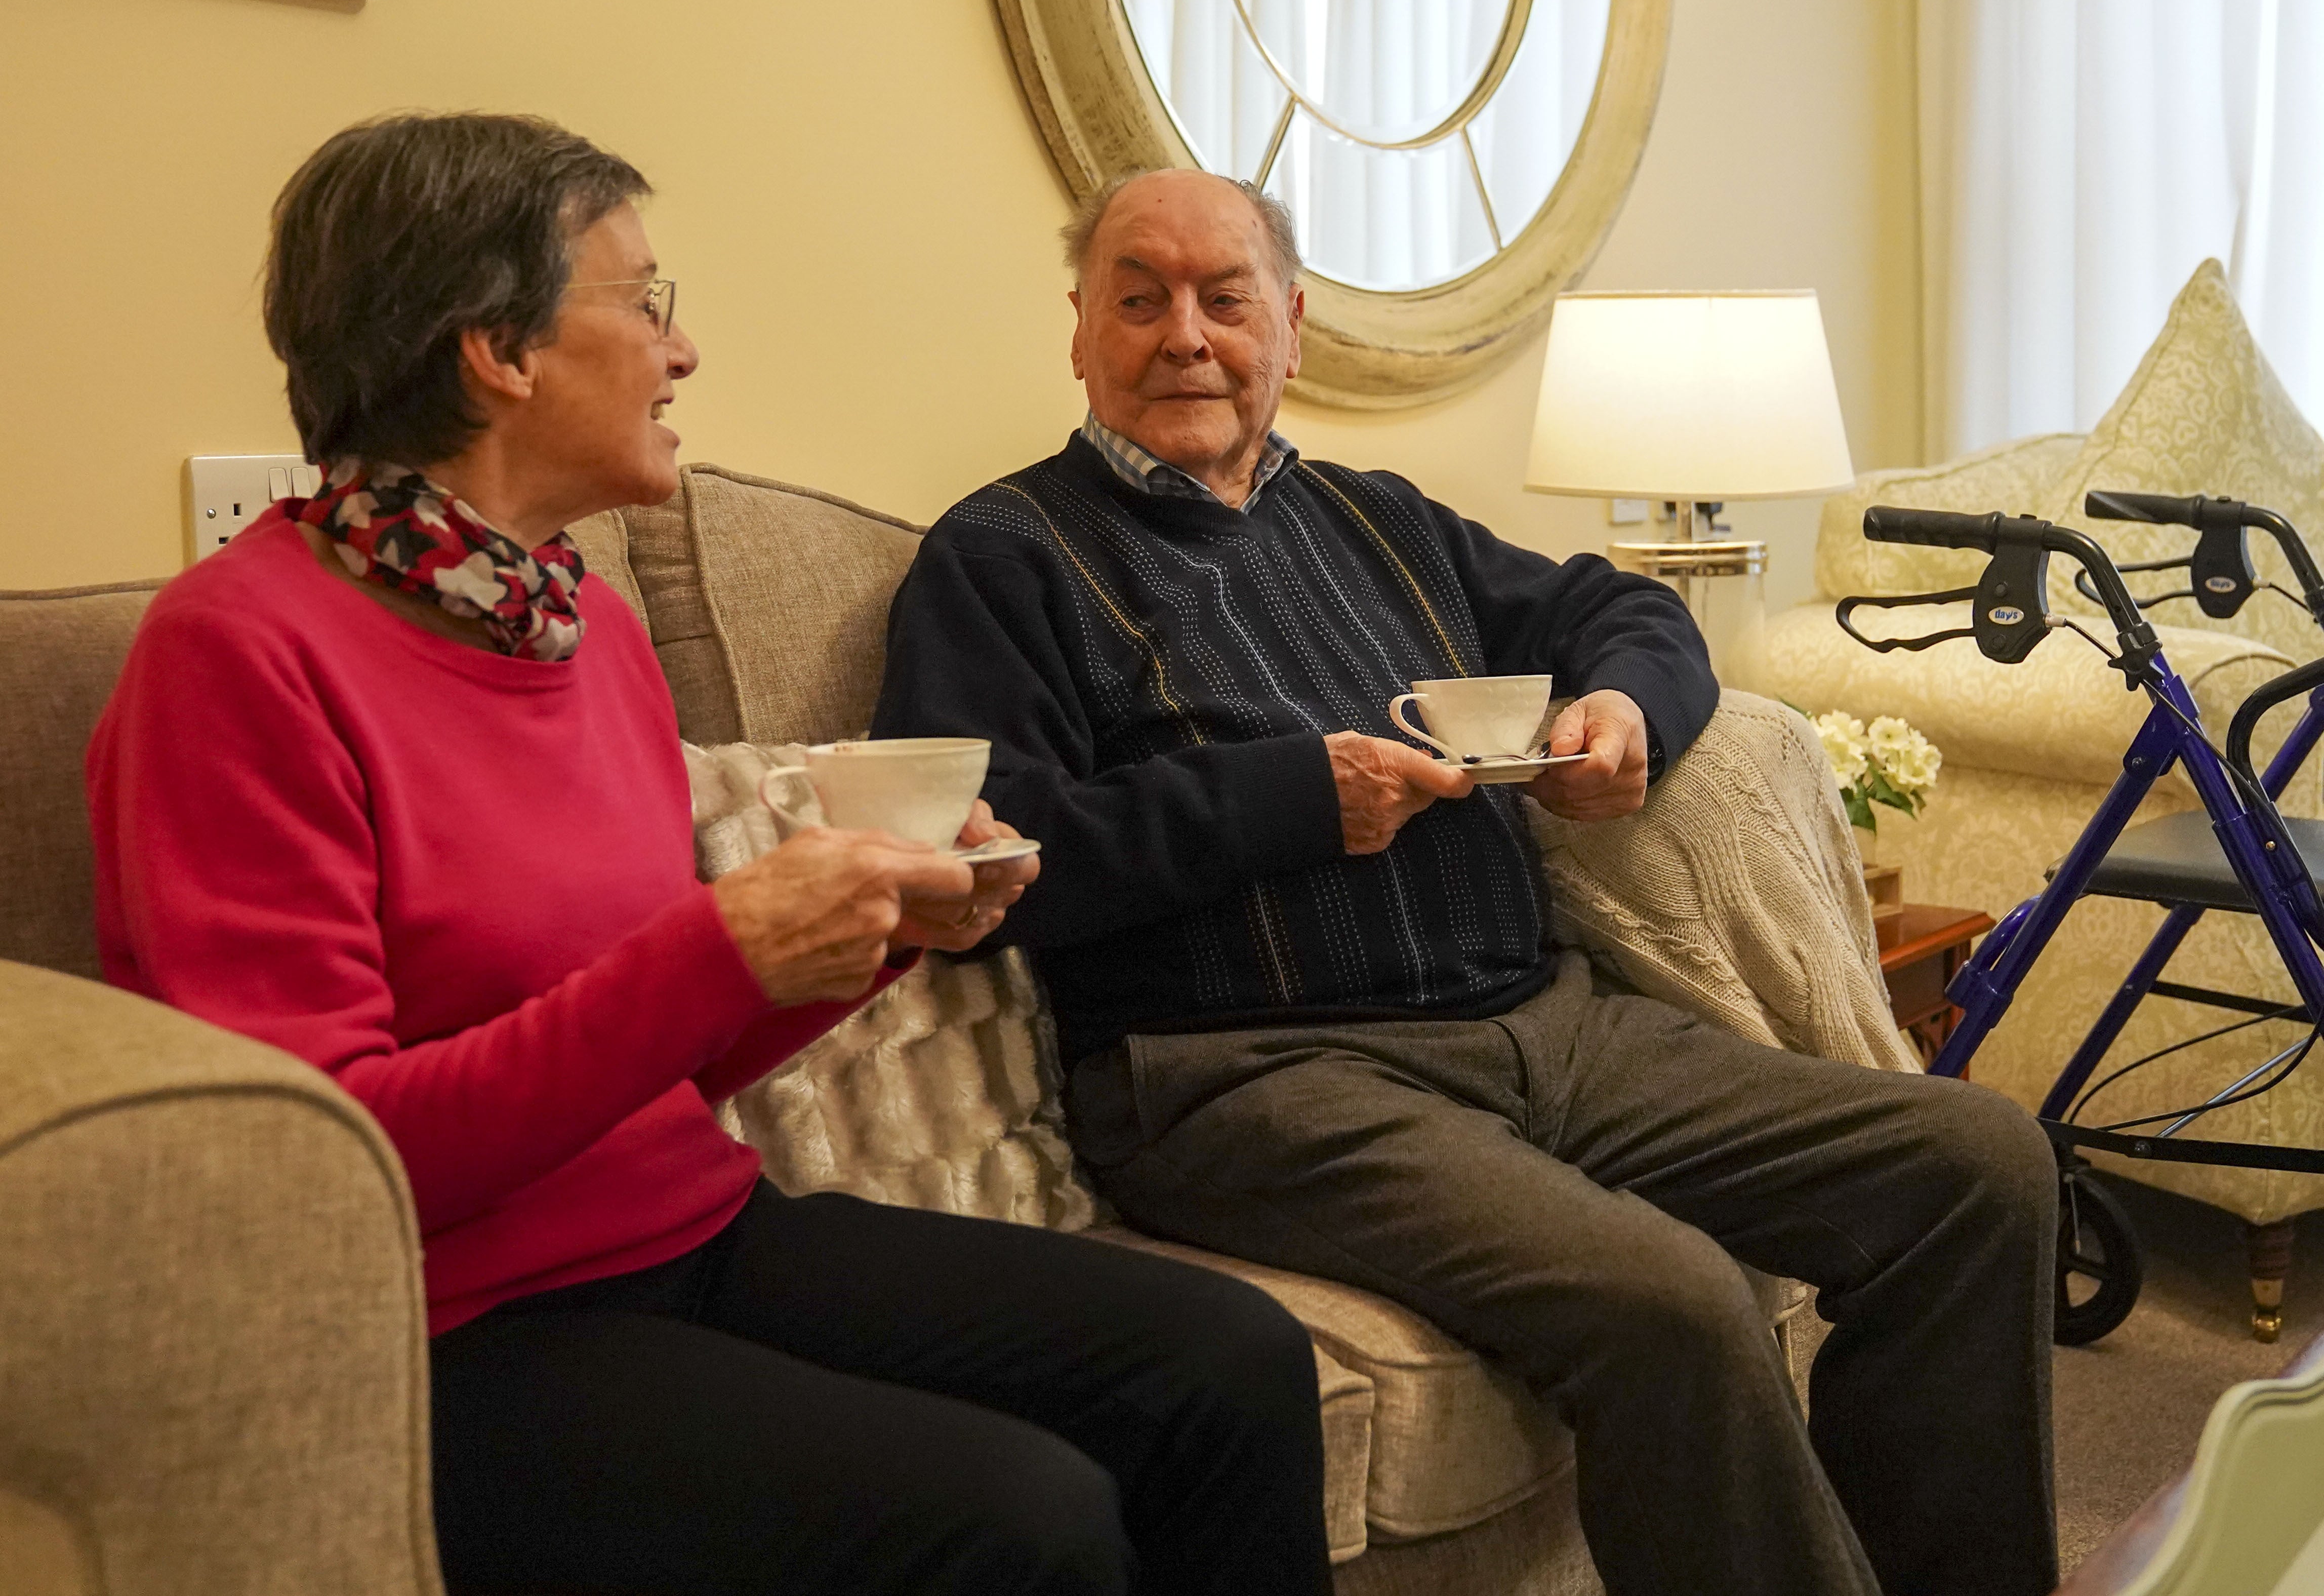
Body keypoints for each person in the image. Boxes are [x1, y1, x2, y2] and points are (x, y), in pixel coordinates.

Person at [87, 119, 1331, 1596]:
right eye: (645, 302)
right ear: (499, 347)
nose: (682, 355)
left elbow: (659, 1056)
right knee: (1019, 1520)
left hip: (695, 1229)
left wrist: (885, 926)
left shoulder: (583, 627)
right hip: (442, 1327)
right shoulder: (238, 655)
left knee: (1232, 1359)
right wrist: (723, 941)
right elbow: (323, 1164)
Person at [872, 167, 2061, 1596]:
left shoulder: (1379, 521)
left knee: (1977, 1163)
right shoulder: (1002, 555)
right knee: (1670, 1297)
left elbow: (1616, 609)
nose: (1184, 334)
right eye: (1140, 298)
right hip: (1252, 1076)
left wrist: (1627, 715)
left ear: (1289, 330)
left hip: (1551, 1028)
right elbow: (995, 850)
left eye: (1224, 298)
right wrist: (1296, 797)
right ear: (1081, 330)